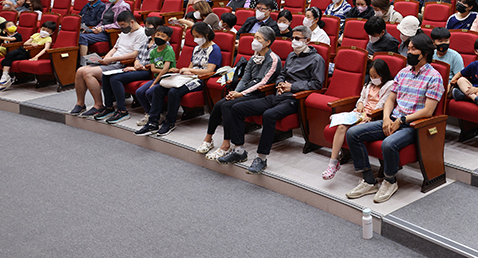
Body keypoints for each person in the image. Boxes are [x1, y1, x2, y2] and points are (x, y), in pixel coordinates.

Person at [345, 33, 444, 202]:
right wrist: (386, 118)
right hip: (393, 119)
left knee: (389, 143)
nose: (409, 52)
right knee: (353, 133)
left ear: (425, 53)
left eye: (413, 49)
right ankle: (369, 180)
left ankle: (390, 181)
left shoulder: (434, 77)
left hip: (413, 125)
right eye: (409, 48)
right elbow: (391, 99)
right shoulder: (403, 72)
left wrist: (402, 120)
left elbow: (428, 111)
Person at [217, 25, 325, 174]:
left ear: (307, 40)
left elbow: (317, 83)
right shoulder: (292, 55)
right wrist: (280, 83)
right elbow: (282, 73)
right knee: (237, 108)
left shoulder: (317, 59)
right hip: (278, 95)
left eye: (297, 38)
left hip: (294, 99)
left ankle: (261, 158)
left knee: (269, 115)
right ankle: (239, 151)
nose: (293, 41)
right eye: (292, 38)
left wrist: (292, 87)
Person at [135, 22, 220, 137]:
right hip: (188, 76)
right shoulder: (196, 48)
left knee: (174, 92)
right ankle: (152, 122)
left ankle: (169, 123)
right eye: (194, 36)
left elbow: (209, 70)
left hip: (200, 80)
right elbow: (191, 66)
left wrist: (188, 70)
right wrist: (182, 70)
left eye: (198, 36)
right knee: (159, 89)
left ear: (206, 35)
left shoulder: (214, 49)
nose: (195, 39)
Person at [321, 58, 395, 180]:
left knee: (353, 131)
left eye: (375, 76)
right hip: (360, 113)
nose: (373, 78)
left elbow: (382, 105)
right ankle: (333, 163)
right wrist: (360, 104)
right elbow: (361, 99)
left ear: (383, 74)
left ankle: (365, 172)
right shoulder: (369, 84)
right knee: (340, 127)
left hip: (373, 116)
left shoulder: (389, 85)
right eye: (371, 76)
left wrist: (368, 116)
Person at [70, 10, 147, 117]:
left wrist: (110, 60)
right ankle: (80, 103)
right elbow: (115, 47)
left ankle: (98, 105)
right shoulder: (125, 32)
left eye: (123, 25)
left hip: (122, 63)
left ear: (132, 22)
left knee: (88, 73)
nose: (122, 28)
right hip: (111, 61)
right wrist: (106, 57)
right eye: (120, 26)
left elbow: (134, 54)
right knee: (80, 71)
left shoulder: (141, 34)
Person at [97, 17, 167, 125]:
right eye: (145, 25)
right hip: (138, 68)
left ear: (158, 28)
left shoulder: (161, 45)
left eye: (149, 26)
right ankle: (109, 107)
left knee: (115, 78)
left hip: (148, 71)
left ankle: (122, 111)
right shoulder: (146, 42)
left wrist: (137, 67)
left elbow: (159, 64)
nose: (146, 28)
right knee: (105, 76)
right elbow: (138, 57)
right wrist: (136, 64)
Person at [0, 20, 57, 90]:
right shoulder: (36, 35)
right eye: (43, 29)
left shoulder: (48, 38)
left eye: (48, 31)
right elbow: (25, 43)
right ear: (40, 28)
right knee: (9, 55)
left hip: (28, 53)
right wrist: (32, 44)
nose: (44, 31)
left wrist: (36, 57)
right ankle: (5, 76)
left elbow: (46, 49)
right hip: (22, 49)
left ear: (52, 32)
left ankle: (7, 78)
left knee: (6, 60)